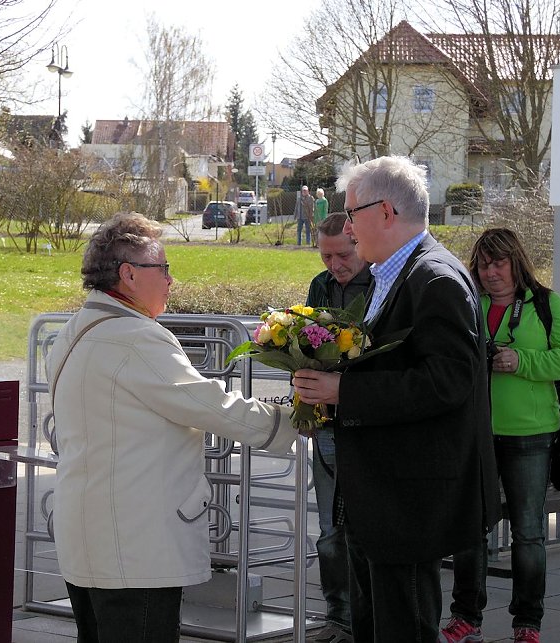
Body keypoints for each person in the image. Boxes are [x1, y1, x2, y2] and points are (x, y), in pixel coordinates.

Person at [47, 212, 298, 643]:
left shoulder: (73, 331)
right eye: (162, 268)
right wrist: (293, 422)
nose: (170, 280)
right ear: (128, 275)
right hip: (135, 546)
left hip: (89, 539)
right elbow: (209, 405)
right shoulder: (135, 337)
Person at [292, 156, 501, 643]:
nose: (347, 226)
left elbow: (448, 381)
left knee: (403, 625)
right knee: (377, 623)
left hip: (406, 499)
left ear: (385, 211)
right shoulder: (397, 271)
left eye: (351, 213)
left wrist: (344, 390)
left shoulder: (436, 278)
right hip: (380, 494)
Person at [440, 228, 560, 643]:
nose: (490, 273)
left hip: (530, 433)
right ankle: (466, 617)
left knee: (528, 532)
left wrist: (520, 360)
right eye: (484, 264)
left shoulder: (546, 303)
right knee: (471, 529)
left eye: (499, 263)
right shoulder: (470, 304)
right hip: (477, 434)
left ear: (516, 262)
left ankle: (528, 623)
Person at [305, 212, 371, 643]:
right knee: (329, 529)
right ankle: (338, 618)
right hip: (329, 422)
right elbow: (305, 343)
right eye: (326, 256)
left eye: (342, 255)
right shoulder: (320, 285)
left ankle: (366, 619)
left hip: (368, 422)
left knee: (364, 528)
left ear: (359, 244)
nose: (335, 265)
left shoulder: (383, 282)